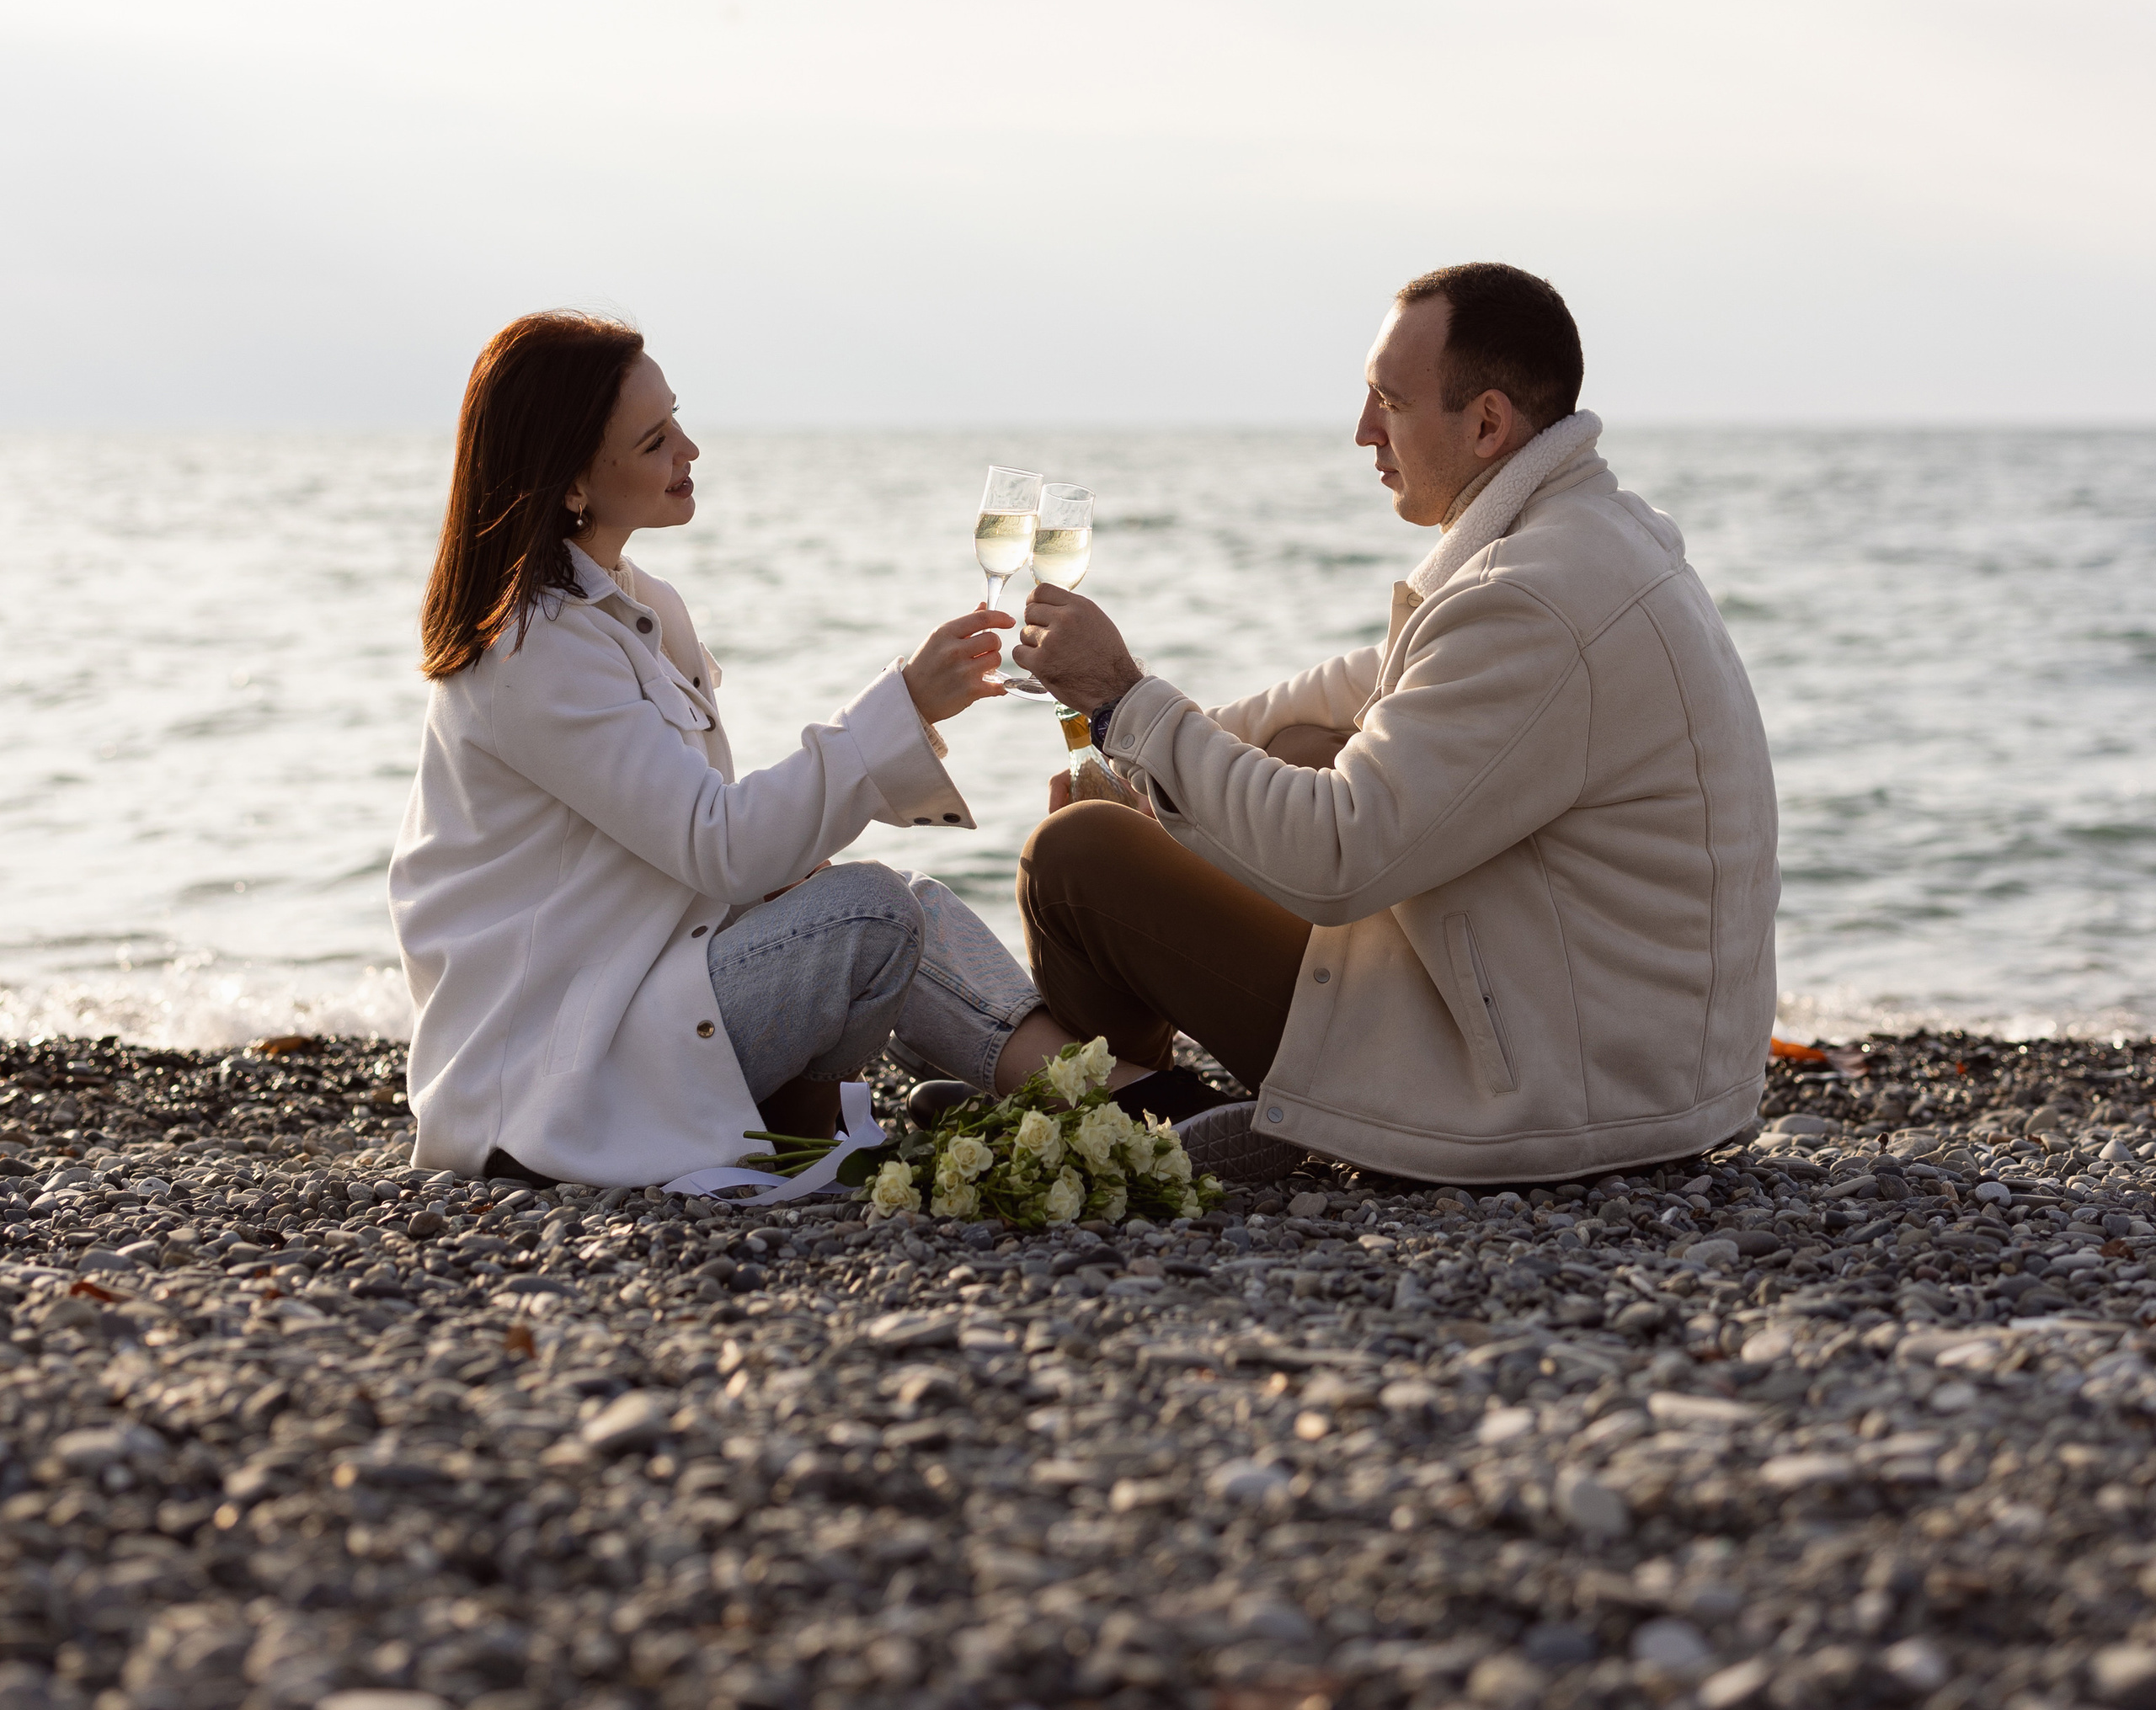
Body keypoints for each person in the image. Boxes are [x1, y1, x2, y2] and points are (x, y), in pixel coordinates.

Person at [1006, 264, 1780, 1187]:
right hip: (1632, 1061)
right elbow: (1363, 686)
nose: (1363, 430)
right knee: (1267, 757)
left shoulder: (1530, 597)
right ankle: (1147, 1100)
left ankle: (1128, 1116)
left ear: (1488, 422)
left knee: (1075, 853)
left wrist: (1126, 701)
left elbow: (1340, 858)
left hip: (1560, 1095)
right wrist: (1147, 765)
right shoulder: (1584, 536)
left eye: (1388, 401)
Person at [388, 311, 1043, 1187]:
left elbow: (691, 851)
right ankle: (847, 1130)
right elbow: (720, 844)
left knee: (903, 902)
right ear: (573, 481)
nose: (689, 450)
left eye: (678, 421)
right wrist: (904, 703)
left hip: (645, 986)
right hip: (554, 1069)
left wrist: (792, 869)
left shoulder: (640, 604)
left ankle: (1104, 1091)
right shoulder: (532, 646)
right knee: (873, 912)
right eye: (656, 440)